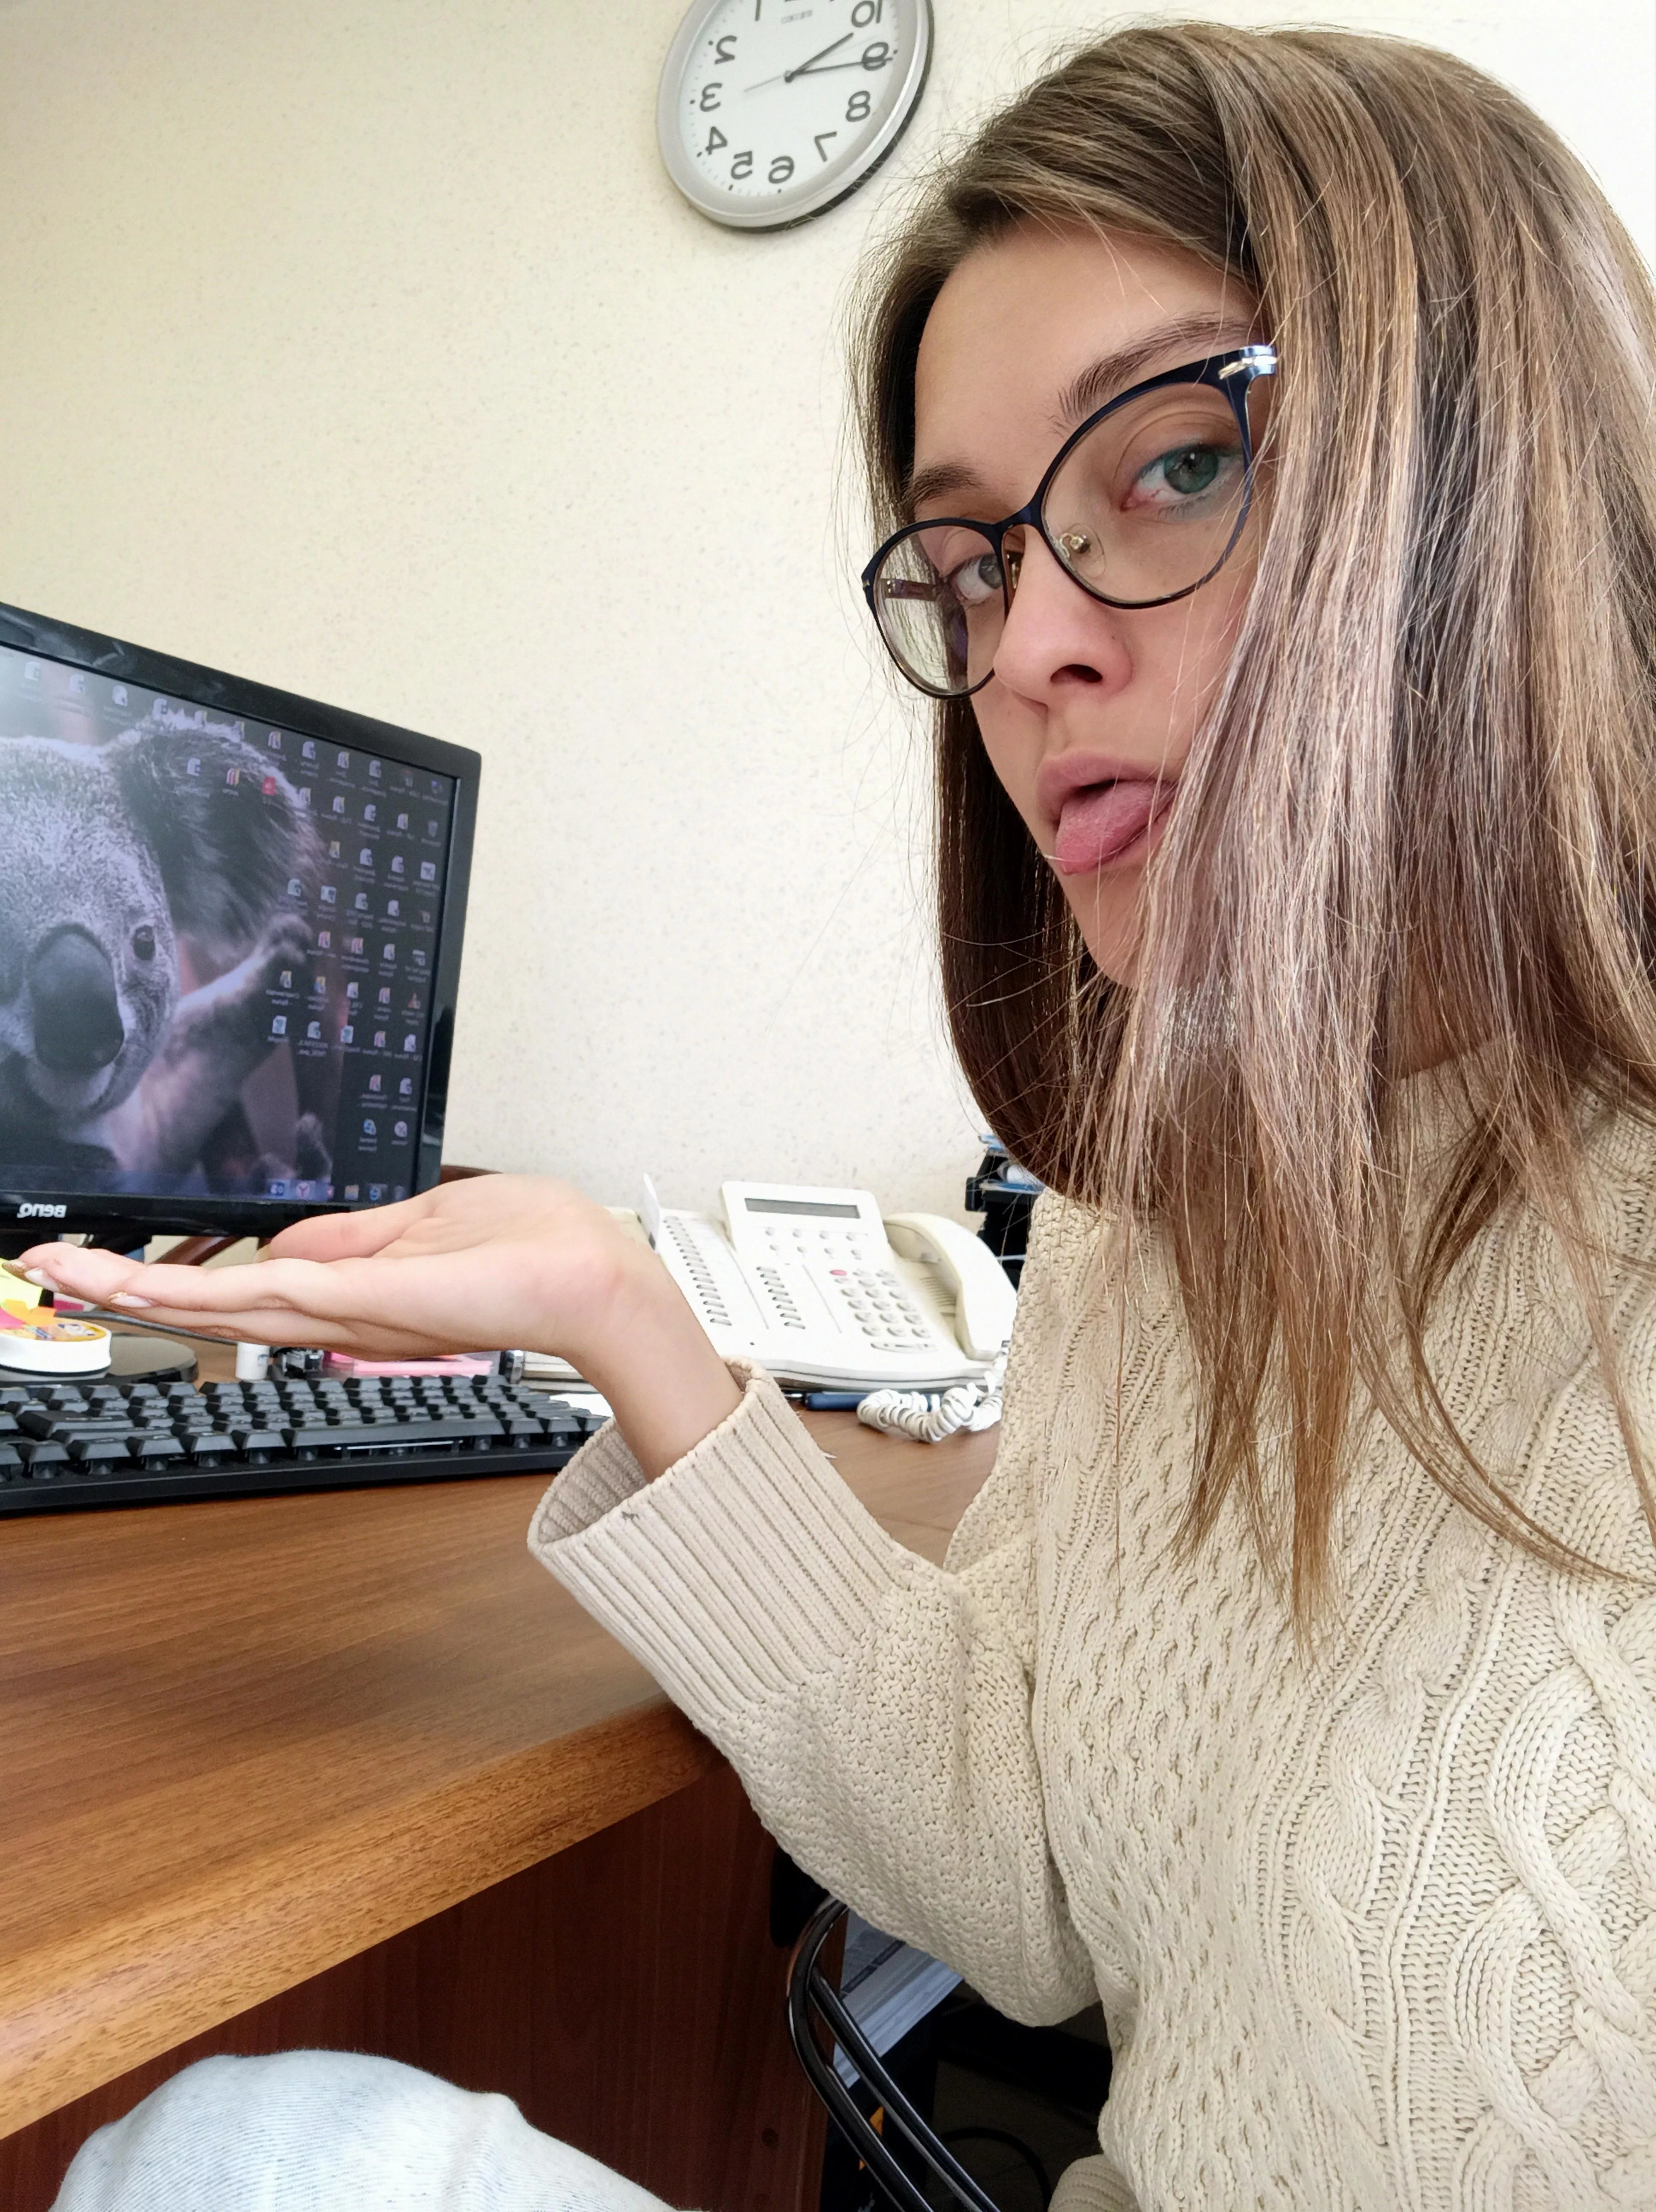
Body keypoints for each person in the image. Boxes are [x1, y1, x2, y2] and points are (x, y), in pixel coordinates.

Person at [30, 22, 1653, 2212]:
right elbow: (1018, 1868)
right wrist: (621, 1316)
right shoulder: (1145, 1218)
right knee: (241, 2146)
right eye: (970, 564)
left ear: (1508, 461)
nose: (1027, 647)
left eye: (1175, 459)